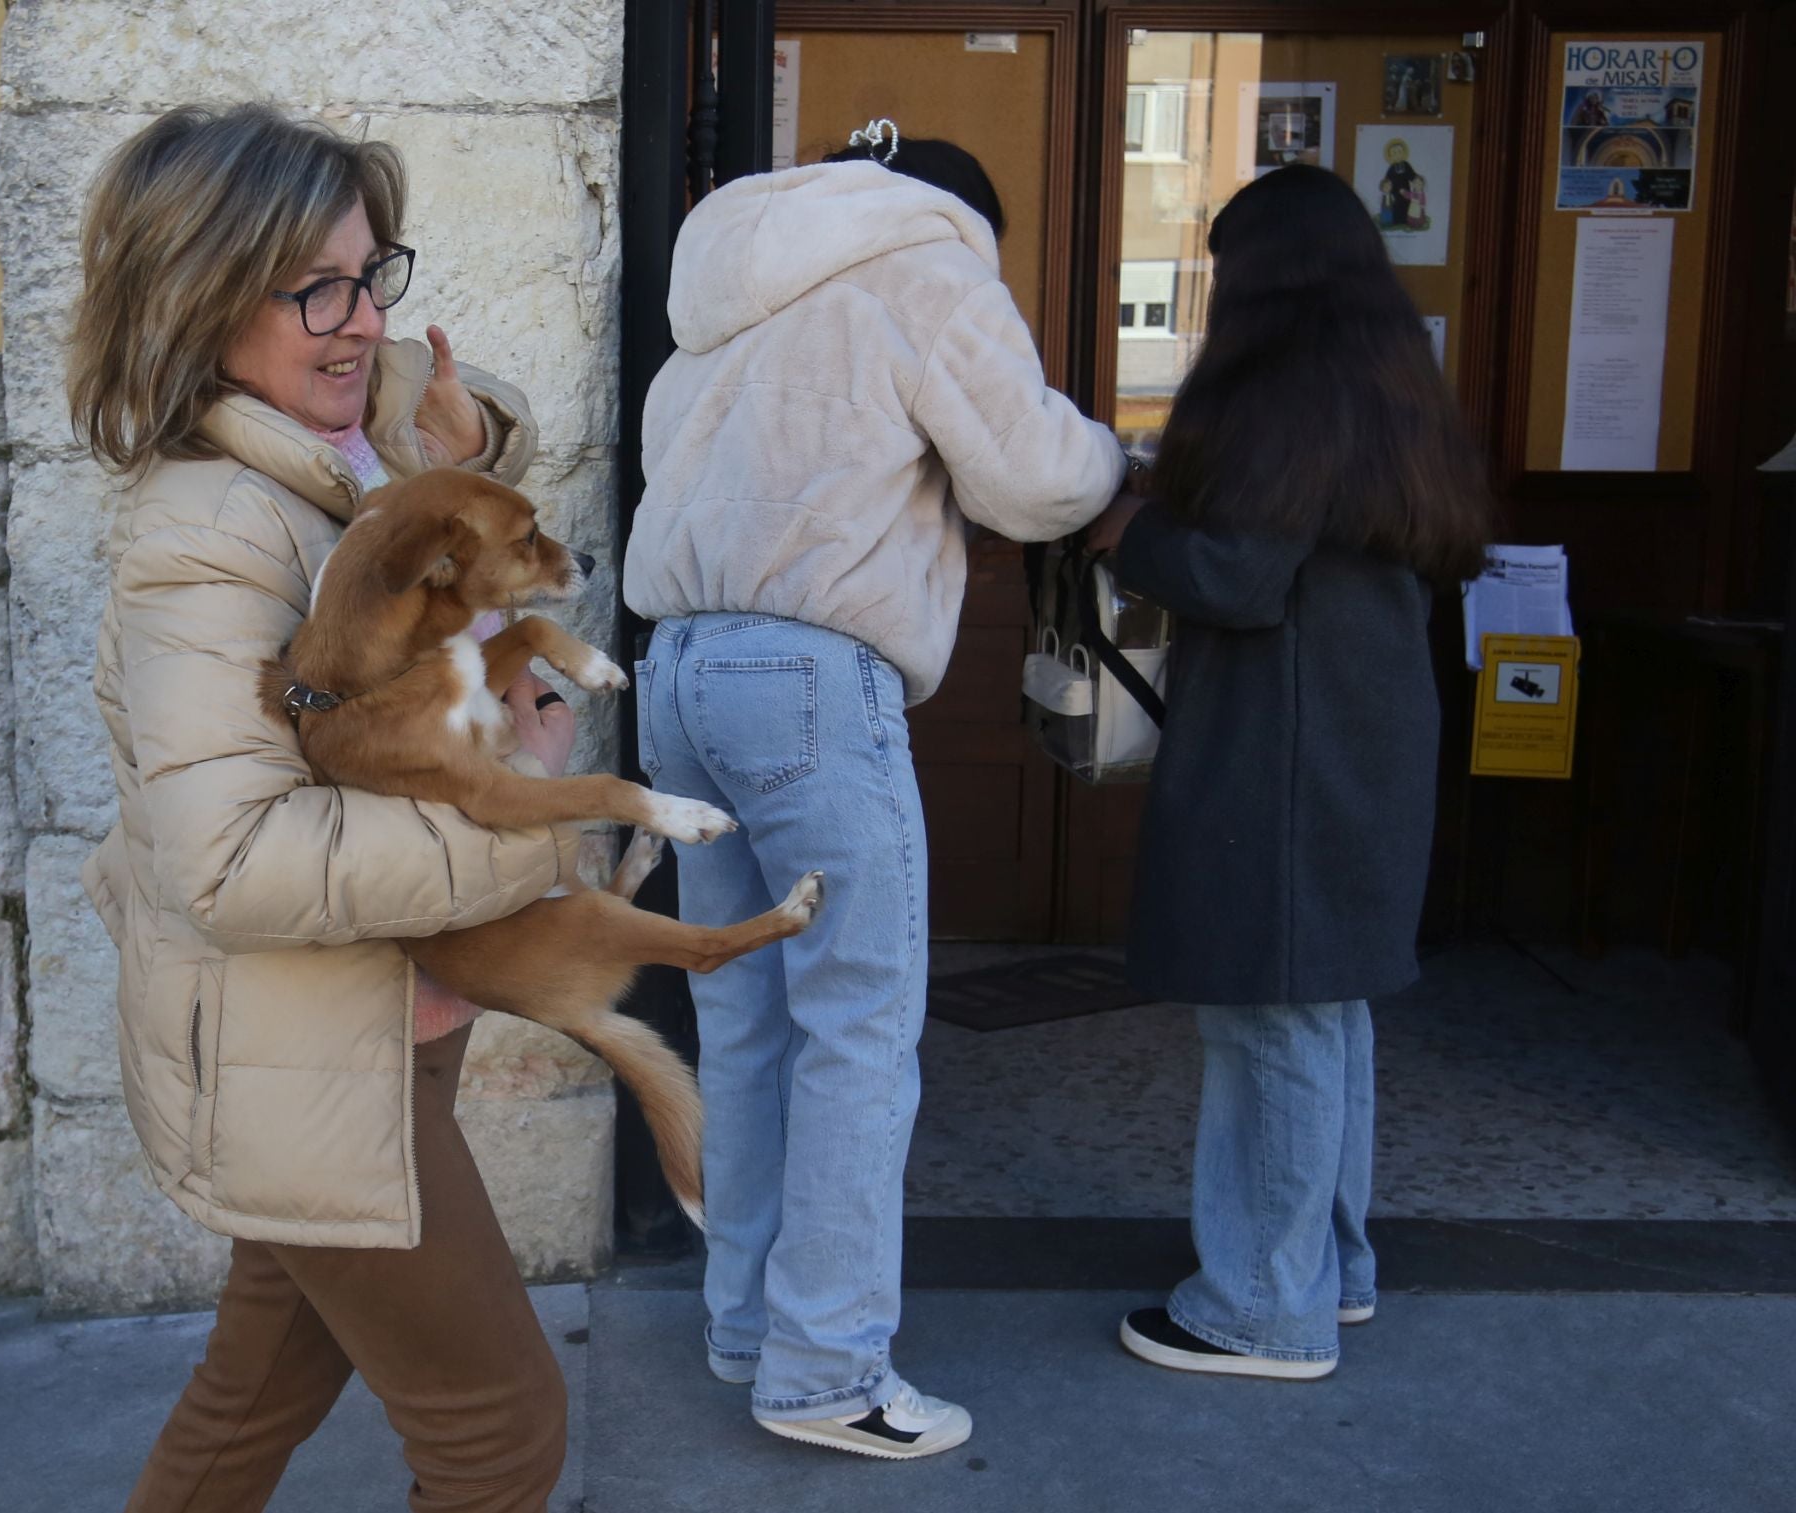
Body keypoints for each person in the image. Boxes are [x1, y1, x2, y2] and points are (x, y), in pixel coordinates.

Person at [72, 104, 580, 1511]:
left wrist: (463, 454)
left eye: (373, 274)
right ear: (198, 294)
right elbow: (232, 861)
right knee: (498, 1434)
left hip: (342, 1040)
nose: (359, 321)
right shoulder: (211, 534)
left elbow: (392, 618)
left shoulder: (325, 472)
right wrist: (513, 812)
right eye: (317, 287)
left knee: (254, 1395)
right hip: (300, 1056)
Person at [623, 120, 1124, 1458]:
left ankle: (747, 1325)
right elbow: (1029, 477)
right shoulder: (930, 269)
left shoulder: (726, 290)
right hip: (806, 676)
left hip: (675, 665)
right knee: (858, 1024)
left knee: (744, 1019)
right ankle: (828, 1369)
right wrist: (1117, 459)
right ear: (957, 217)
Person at [1086, 164, 1492, 1381]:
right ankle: (1333, 1271)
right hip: (1365, 739)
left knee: (1273, 1016)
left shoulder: (1287, 397)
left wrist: (1128, 532)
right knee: (1330, 1010)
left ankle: (1261, 1306)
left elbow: (1237, 580)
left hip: (1287, 750)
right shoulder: (1391, 391)